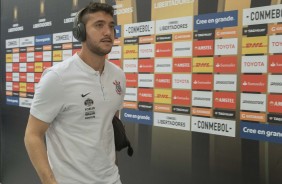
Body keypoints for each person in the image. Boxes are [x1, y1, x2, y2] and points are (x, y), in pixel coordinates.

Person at [24, 2, 125, 184]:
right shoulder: (57, 78)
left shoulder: (118, 76)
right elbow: (32, 135)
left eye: (111, 26)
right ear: (80, 32)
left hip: (112, 179)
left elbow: (110, 124)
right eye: (99, 25)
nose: (108, 32)